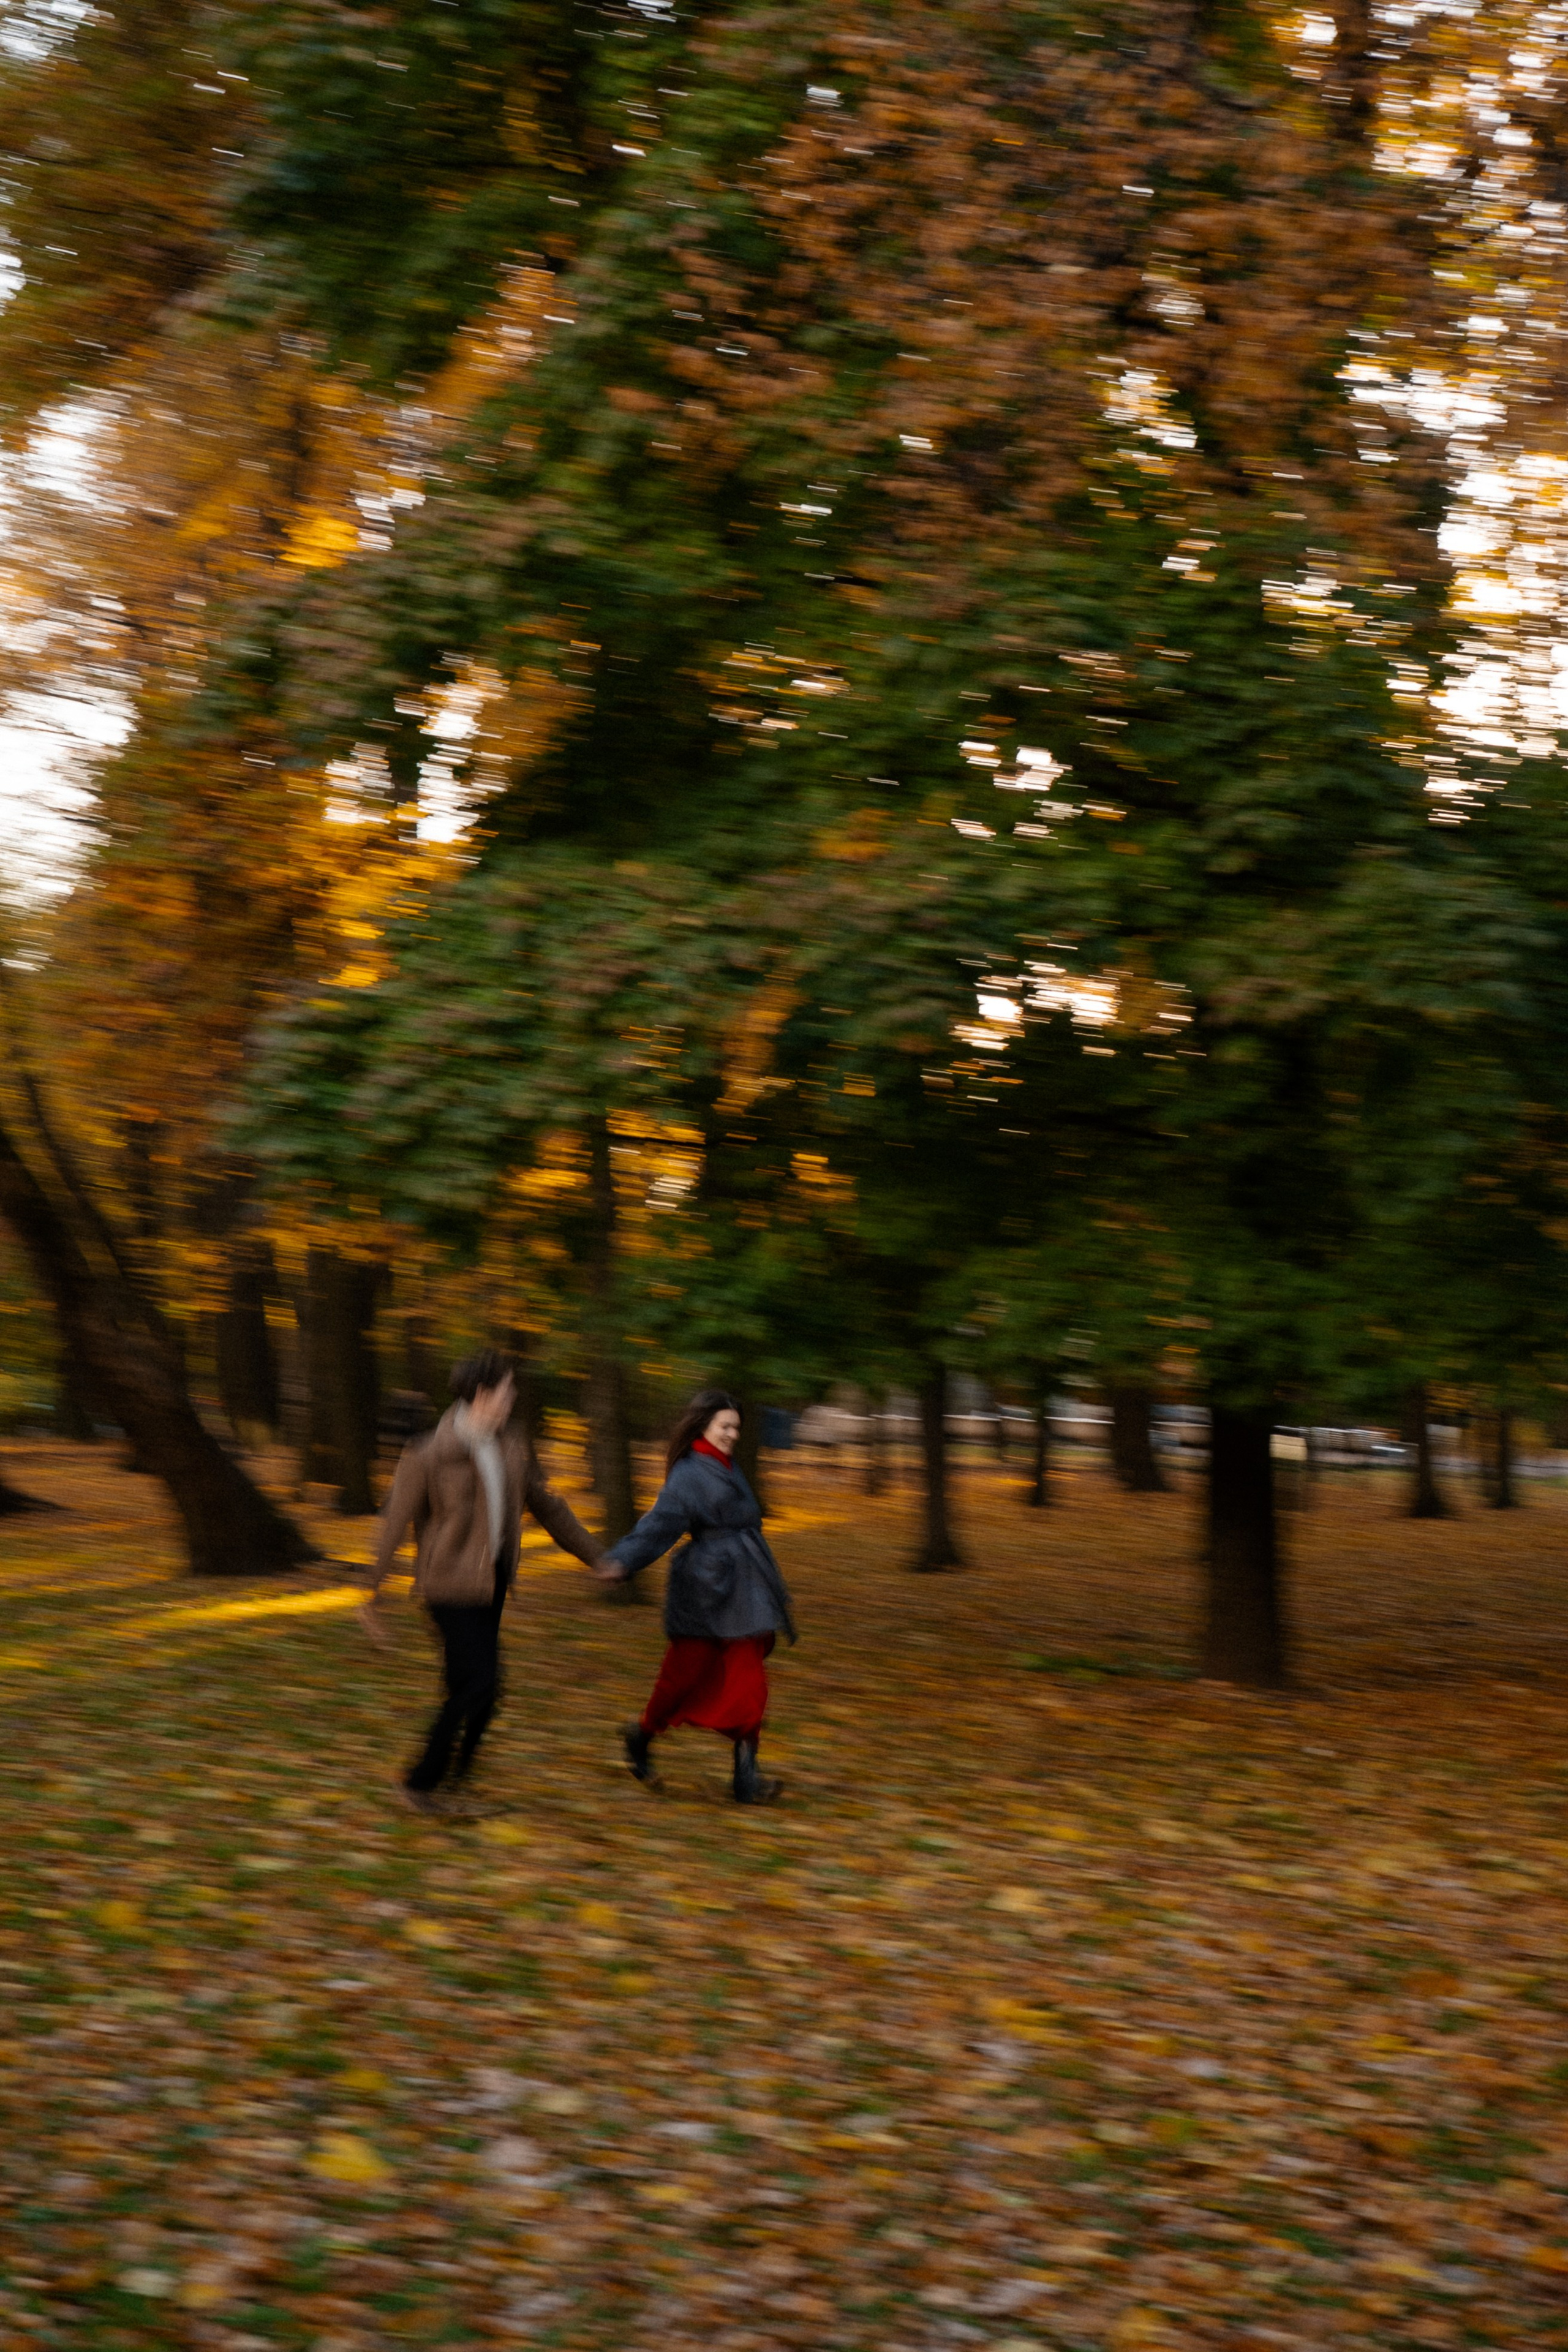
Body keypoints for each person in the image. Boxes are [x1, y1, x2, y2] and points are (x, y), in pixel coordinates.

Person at [360, 1348, 612, 1814]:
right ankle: (420, 1784)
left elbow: (548, 1505)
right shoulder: (429, 1453)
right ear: (482, 1394)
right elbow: (394, 1522)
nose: (514, 1396)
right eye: (507, 1389)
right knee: (481, 1683)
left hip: (491, 1584)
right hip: (446, 1585)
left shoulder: (511, 1444)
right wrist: (371, 1592)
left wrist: (595, 1558)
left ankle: (456, 1778)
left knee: (477, 1688)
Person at [603, 1389, 795, 1804]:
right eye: (725, 1426)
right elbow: (660, 1525)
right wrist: (622, 1561)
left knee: (749, 1677)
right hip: (705, 1587)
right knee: (681, 1676)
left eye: (736, 1428)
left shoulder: (727, 1465)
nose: (732, 1434)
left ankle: (746, 1777)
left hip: (745, 1585)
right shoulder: (690, 1473)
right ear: (704, 1425)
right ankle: (642, 1734)